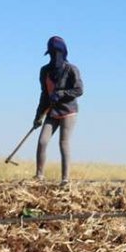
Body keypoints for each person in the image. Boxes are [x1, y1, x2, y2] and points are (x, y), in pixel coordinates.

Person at [33, 36, 83, 184]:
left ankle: (65, 179)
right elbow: (44, 95)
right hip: (52, 112)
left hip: (68, 111)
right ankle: (39, 176)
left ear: (63, 52)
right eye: (53, 52)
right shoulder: (45, 71)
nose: (55, 56)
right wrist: (38, 116)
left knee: (63, 142)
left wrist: (62, 94)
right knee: (42, 141)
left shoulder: (71, 69)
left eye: (58, 52)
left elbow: (79, 90)